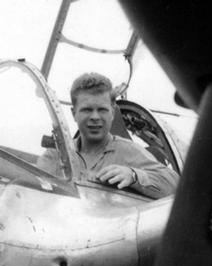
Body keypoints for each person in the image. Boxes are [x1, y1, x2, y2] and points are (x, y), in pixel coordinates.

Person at [38, 72, 178, 199]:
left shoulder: (128, 151)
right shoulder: (56, 154)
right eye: (87, 110)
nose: (95, 117)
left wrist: (133, 175)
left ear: (112, 112)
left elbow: (174, 185)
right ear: (74, 114)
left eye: (102, 110)